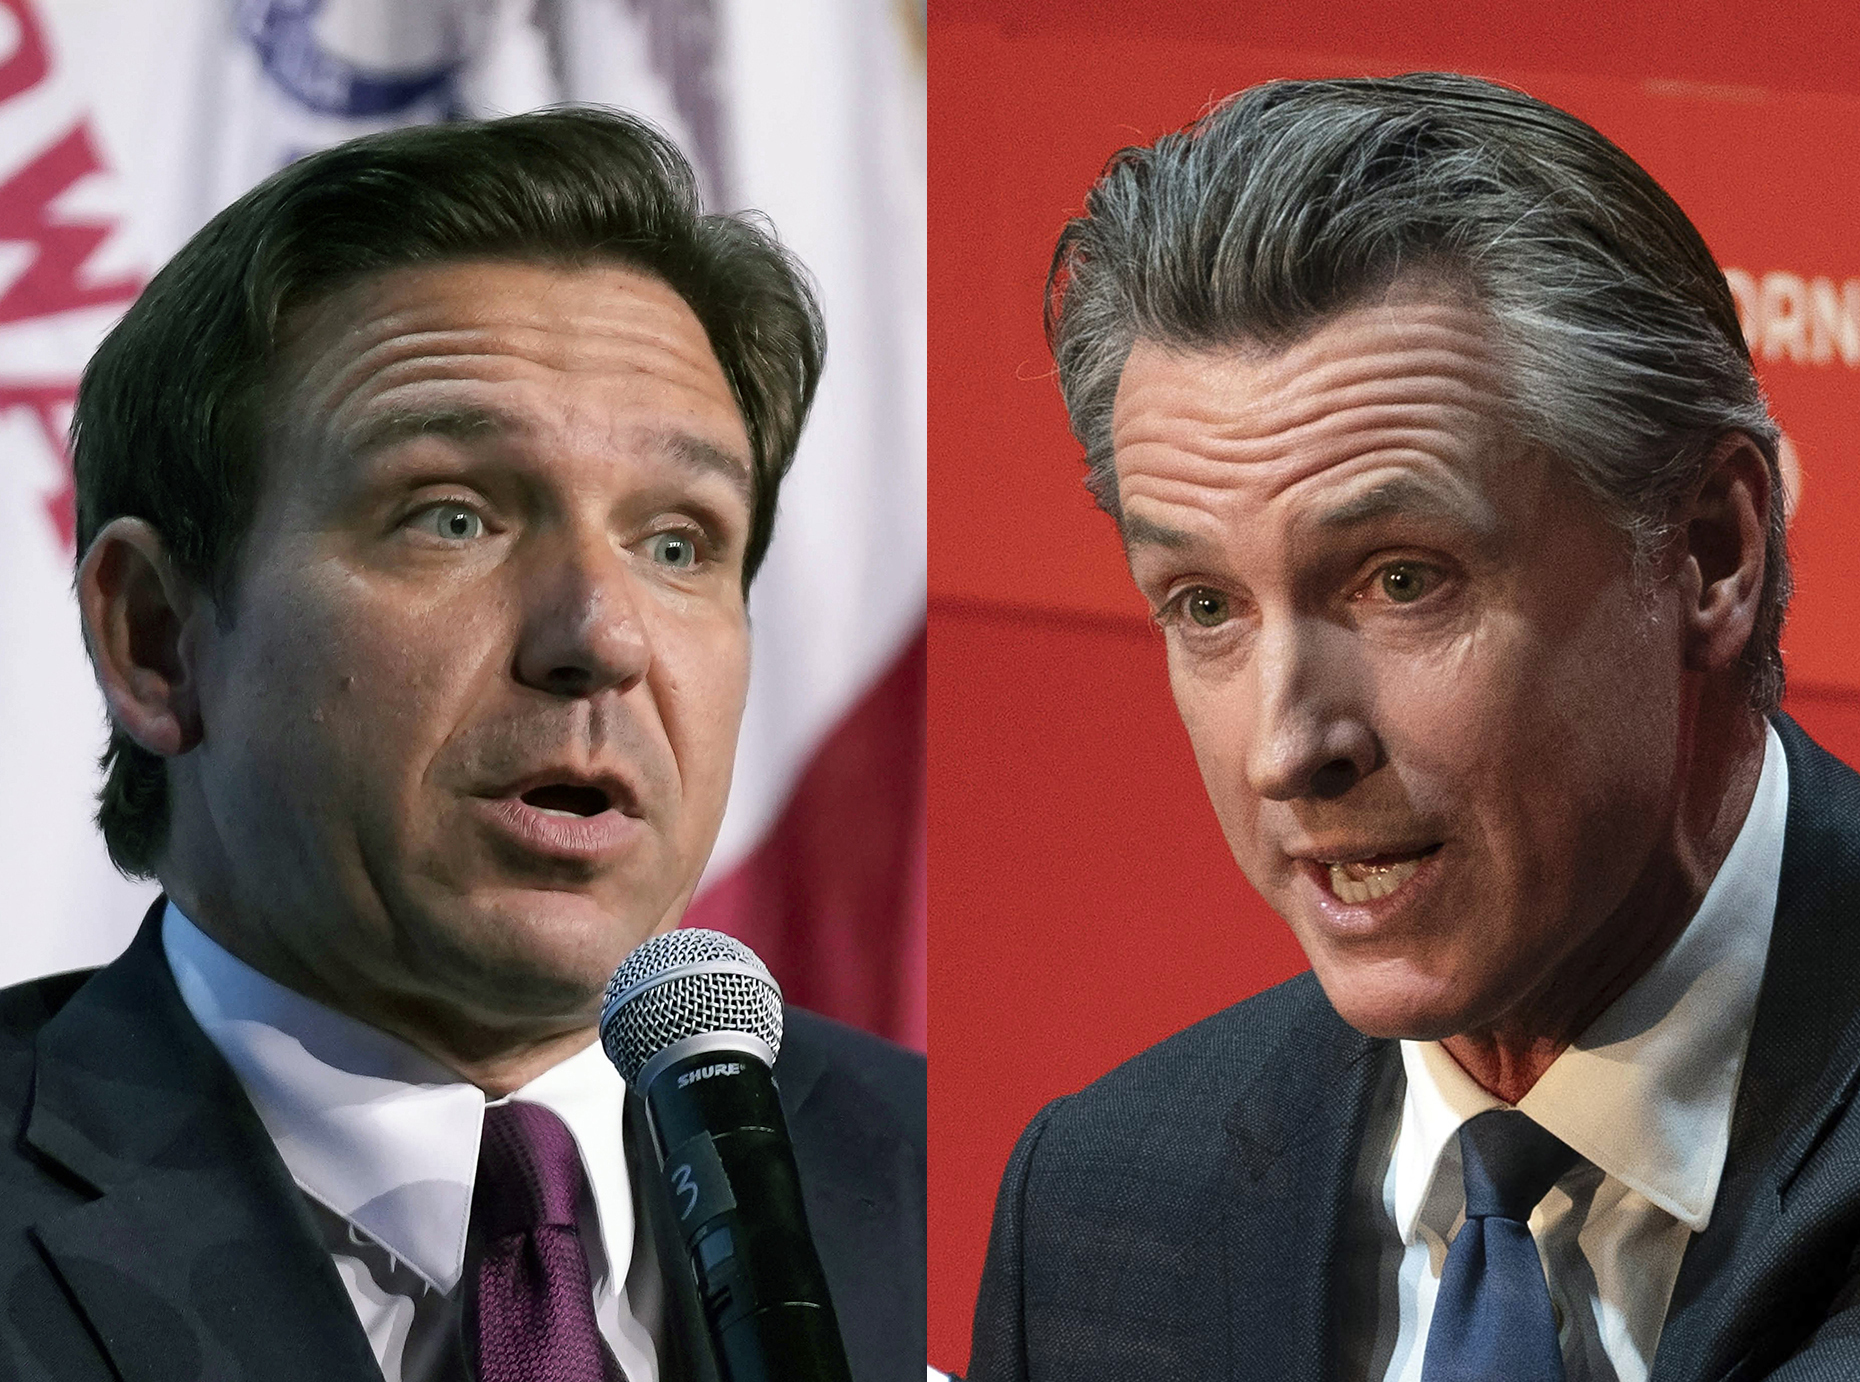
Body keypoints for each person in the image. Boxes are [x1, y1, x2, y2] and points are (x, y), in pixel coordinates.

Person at [0, 109, 924, 1382]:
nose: (602, 634)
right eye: (451, 516)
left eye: (677, 543)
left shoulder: (973, 1201)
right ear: (156, 638)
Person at [968, 73, 1860, 1382]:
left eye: (1400, 580)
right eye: (1206, 604)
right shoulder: (1099, 1216)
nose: (1288, 749)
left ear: (1708, 552)